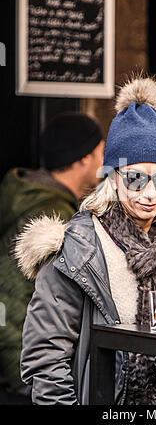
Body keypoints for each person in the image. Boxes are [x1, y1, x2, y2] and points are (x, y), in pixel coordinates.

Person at [14, 75, 156, 405]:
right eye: (135, 178)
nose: (150, 193)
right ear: (113, 177)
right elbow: (45, 361)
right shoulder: (75, 248)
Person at [0, 112, 104, 403]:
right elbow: (7, 300)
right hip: (29, 373)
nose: (103, 161)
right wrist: (28, 380)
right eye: (100, 152)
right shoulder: (52, 213)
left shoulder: (33, 196)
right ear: (83, 158)